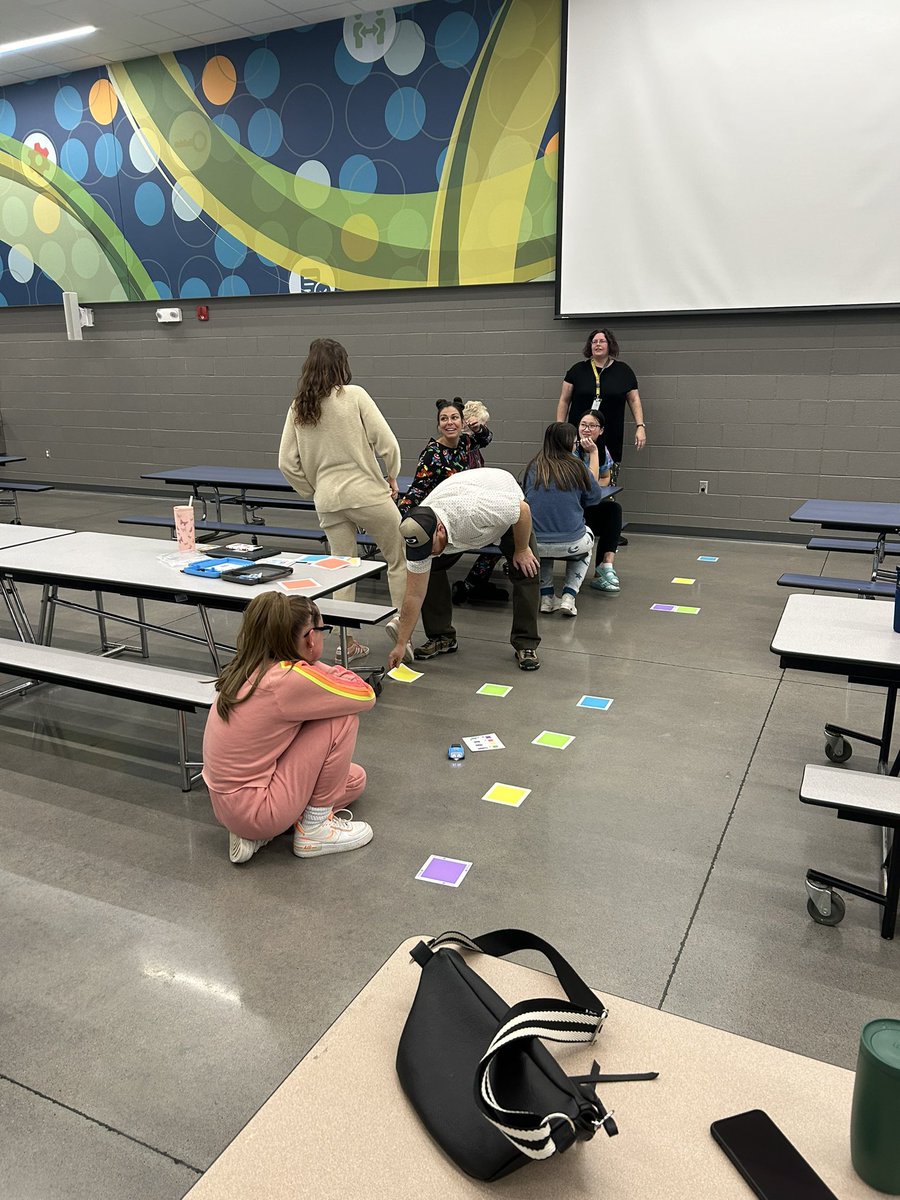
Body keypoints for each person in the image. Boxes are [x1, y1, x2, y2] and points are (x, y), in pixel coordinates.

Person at [202, 592, 376, 865]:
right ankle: (314, 831)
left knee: (353, 779)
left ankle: (259, 834)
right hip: (256, 808)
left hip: (228, 806)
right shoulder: (287, 679)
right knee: (342, 718)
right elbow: (365, 695)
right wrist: (315, 665)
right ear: (309, 638)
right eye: (322, 631)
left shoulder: (252, 666)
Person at [278, 337, 410, 665]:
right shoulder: (354, 396)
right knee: (398, 558)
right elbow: (387, 443)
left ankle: (345, 641)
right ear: (342, 364)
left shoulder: (299, 406)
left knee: (342, 569)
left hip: (328, 500)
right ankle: (402, 628)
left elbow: (285, 462)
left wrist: (311, 489)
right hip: (367, 493)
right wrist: (392, 474)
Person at [387, 468, 541, 671]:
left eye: (429, 547)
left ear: (440, 529)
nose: (428, 553)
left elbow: (522, 511)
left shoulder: (472, 510)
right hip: (461, 525)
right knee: (430, 569)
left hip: (508, 514)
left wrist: (521, 549)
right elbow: (414, 594)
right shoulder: (420, 533)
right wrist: (401, 644)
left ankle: (526, 644)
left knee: (526, 570)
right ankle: (442, 637)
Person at [399, 398, 508, 605]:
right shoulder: (432, 454)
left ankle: (472, 584)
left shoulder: (466, 443)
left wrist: (479, 429)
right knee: (435, 564)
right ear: (438, 425)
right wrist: (405, 515)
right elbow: (418, 488)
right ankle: (433, 603)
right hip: (442, 519)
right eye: (444, 419)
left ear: (462, 422)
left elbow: (486, 439)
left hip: (464, 513)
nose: (449, 423)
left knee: (501, 535)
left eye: (454, 418)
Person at [557, 328, 646, 545]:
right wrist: (559, 427)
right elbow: (564, 400)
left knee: (607, 480)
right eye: (594, 341)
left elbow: (634, 400)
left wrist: (640, 426)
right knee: (575, 479)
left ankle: (607, 527)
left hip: (609, 435)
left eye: (602, 341)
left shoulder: (624, 371)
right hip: (577, 436)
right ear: (590, 346)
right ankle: (577, 524)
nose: (598, 345)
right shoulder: (577, 370)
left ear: (610, 345)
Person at [523, 423, 608, 617]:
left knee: (542, 545)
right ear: (569, 443)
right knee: (587, 538)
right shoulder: (578, 466)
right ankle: (569, 596)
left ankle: (546, 597)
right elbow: (594, 498)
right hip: (572, 544)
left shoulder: (533, 466)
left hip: (537, 545)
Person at [574, 412, 624, 593]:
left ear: (601, 430)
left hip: (587, 505)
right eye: (583, 425)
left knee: (613, 510)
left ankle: (605, 566)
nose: (586, 430)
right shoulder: (571, 449)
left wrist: (594, 490)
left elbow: (605, 478)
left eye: (592, 426)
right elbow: (590, 481)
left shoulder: (603, 450)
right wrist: (593, 453)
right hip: (571, 509)